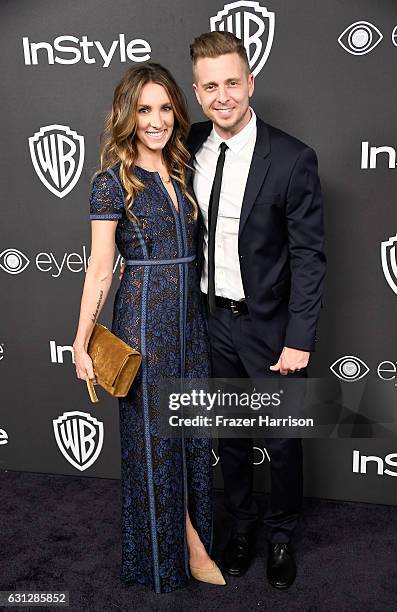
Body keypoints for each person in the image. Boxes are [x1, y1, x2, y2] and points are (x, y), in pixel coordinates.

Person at [72, 63, 225, 593]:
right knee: (154, 443)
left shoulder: (183, 168)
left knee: (190, 435)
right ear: (128, 116)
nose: (156, 120)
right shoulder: (110, 182)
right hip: (143, 321)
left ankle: (192, 539)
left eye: (164, 108)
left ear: (175, 112)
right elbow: (99, 266)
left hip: (191, 322)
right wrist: (81, 337)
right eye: (144, 110)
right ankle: (188, 551)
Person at [187, 32, 326, 589]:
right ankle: (241, 528)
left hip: (270, 328)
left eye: (232, 82)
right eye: (211, 85)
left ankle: (282, 536)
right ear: (197, 92)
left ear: (251, 83)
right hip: (210, 322)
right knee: (232, 438)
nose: (223, 95)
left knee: (282, 438)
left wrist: (300, 338)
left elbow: (310, 258)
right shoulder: (187, 144)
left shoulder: (292, 158)